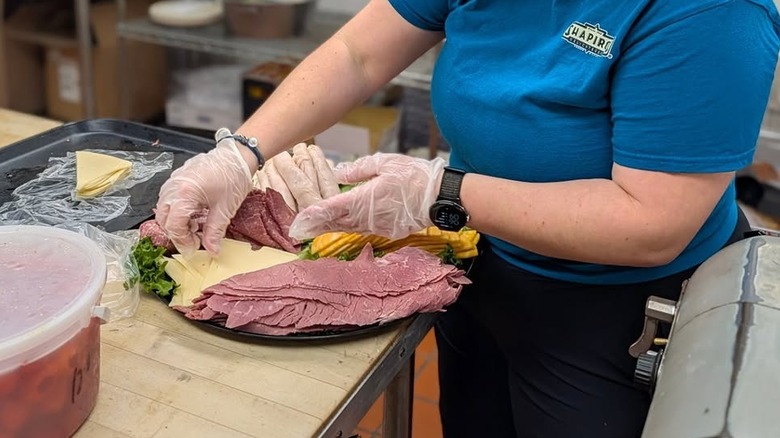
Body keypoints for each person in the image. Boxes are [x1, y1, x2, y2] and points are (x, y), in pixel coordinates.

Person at [154, 0, 780, 436]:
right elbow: (356, 54)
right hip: (485, 263)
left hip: (615, 310)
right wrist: (241, 152)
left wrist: (441, 192)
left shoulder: (713, 12)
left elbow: (652, 223)